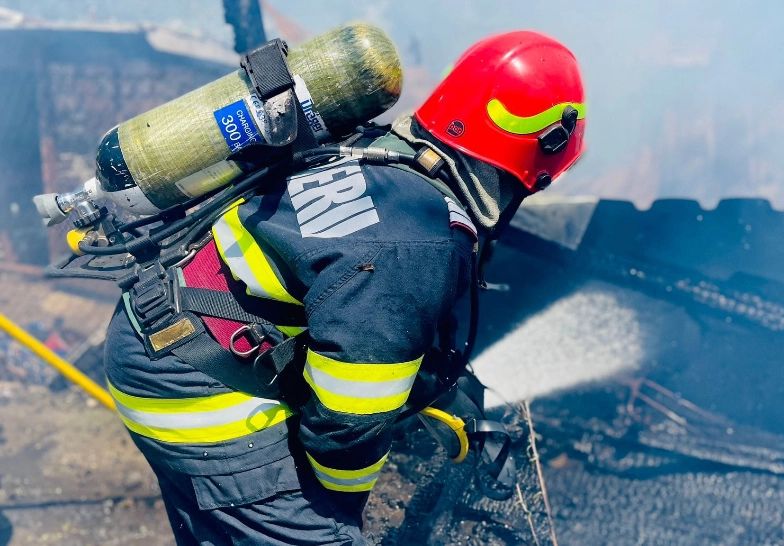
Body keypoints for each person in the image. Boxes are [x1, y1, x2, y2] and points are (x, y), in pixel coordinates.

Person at [103, 29, 586, 545]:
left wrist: (455, 400)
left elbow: (361, 320)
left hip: (159, 324)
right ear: (533, 166)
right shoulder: (417, 246)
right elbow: (347, 426)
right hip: (195, 386)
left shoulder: (375, 152)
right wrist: (338, 509)